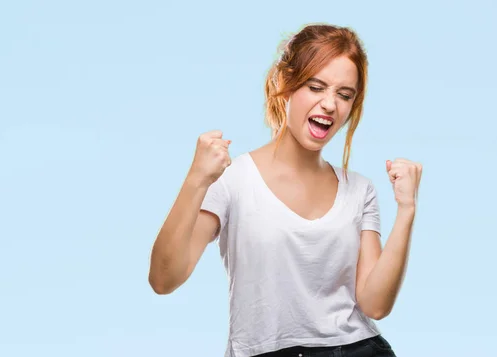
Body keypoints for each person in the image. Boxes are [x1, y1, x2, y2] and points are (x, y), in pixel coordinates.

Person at [148, 23, 423, 357]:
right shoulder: (233, 180)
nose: (329, 104)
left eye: (344, 94)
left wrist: (406, 209)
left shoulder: (359, 191)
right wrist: (196, 179)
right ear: (286, 85)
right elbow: (163, 280)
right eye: (315, 86)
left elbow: (375, 305)